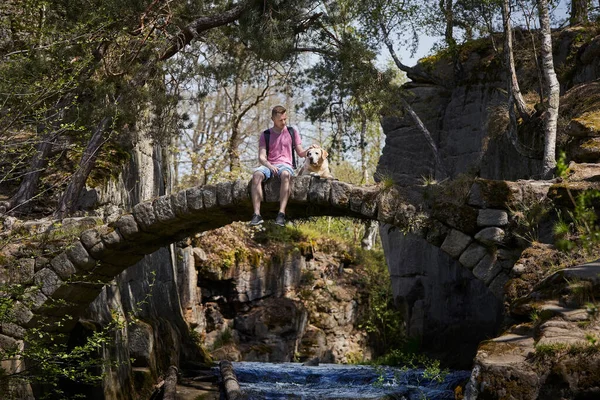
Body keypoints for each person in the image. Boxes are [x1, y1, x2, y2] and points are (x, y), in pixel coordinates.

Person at [250, 105, 313, 226]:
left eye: (285, 119)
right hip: (269, 165)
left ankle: (281, 214)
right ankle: (257, 214)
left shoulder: (292, 132)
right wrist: (269, 166)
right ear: (273, 119)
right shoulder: (266, 134)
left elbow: (301, 153)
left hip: (285, 165)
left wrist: (309, 150)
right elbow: (261, 157)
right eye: (280, 120)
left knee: (285, 175)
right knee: (256, 175)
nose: (283, 122)